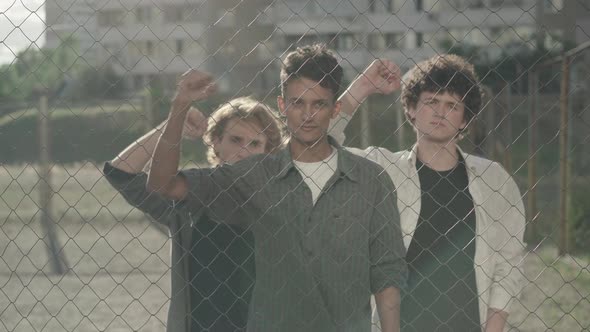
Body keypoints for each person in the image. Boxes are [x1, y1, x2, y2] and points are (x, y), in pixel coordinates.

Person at [128, 44, 407, 332]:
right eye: (297, 103)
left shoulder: (371, 179)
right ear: (283, 106)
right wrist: (180, 105)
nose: (307, 115)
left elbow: (387, 272)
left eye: (319, 104)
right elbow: (163, 183)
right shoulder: (254, 176)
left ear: (335, 108)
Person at [331, 55, 526, 332]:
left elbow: (509, 262)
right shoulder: (382, 169)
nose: (440, 112)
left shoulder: (494, 179)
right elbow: (315, 147)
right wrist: (361, 87)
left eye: (452, 105)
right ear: (411, 108)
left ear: (464, 119)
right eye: (431, 101)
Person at [104, 97, 284, 331]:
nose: (244, 152)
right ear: (216, 142)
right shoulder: (187, 195)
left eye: (254, 144)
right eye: (235, 140)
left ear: (267, 151)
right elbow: (121, 173)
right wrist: (172, 125)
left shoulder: (279, 199)